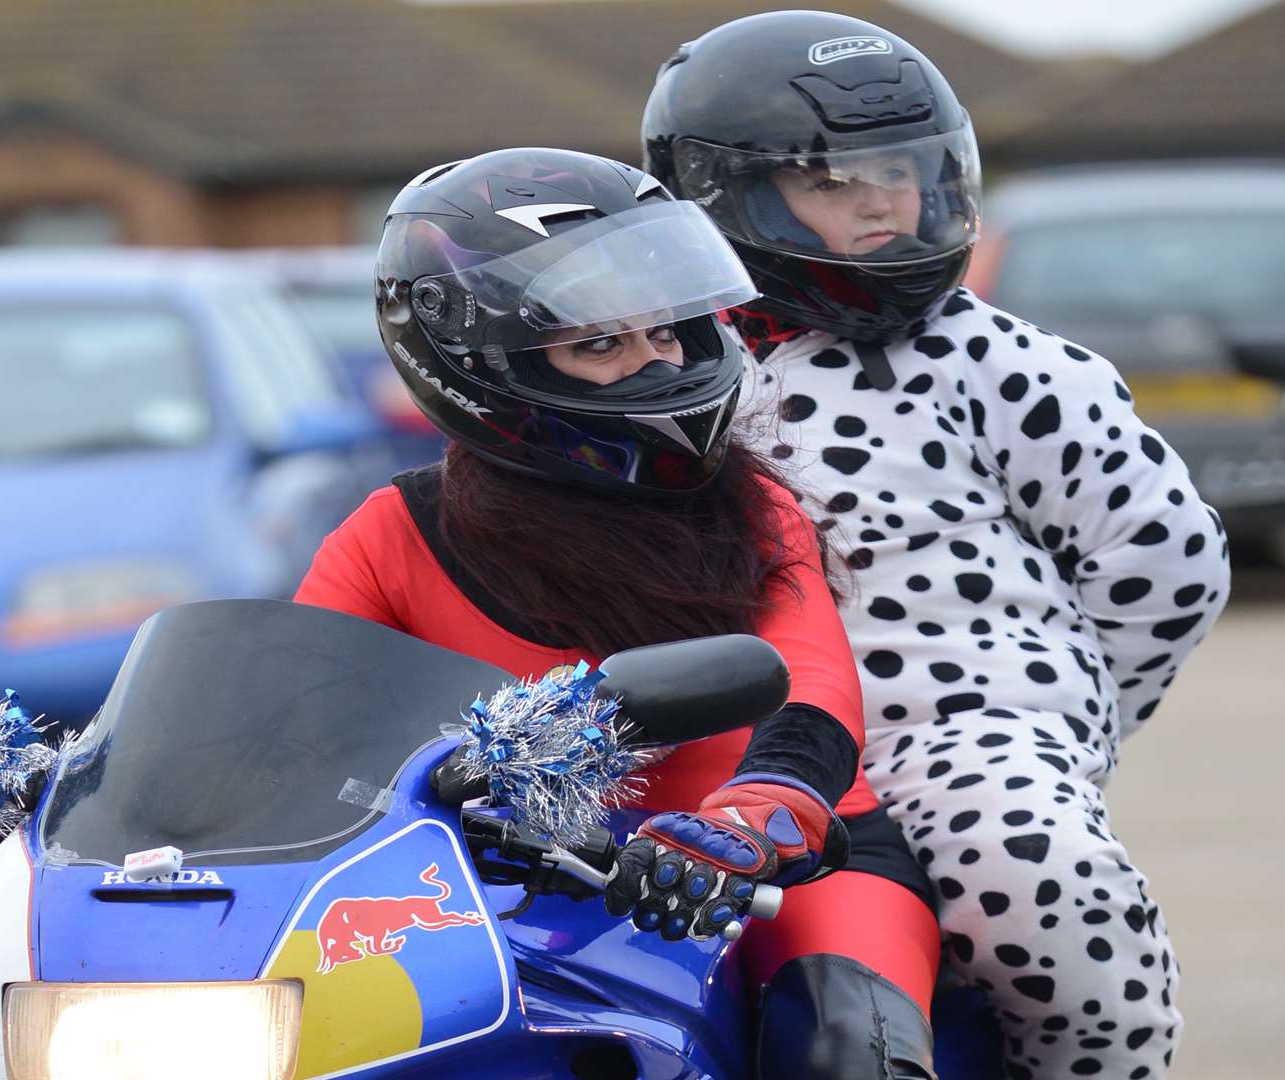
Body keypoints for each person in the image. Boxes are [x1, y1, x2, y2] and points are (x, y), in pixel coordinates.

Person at [641, 12, 1233, 1078]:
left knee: (1038, 873)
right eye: (832, 178)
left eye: (903, 172)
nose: (882, 200)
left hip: (964, 739)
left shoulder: (1004, 362)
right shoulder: (669, 368)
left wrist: (1063, 725)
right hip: (739, 752)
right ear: (717, 198)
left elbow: (1166, 562)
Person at [296, 146, 939, 1078]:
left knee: (849, 1050)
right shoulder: (390, 533)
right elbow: (288, 719)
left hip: (784, 859)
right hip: (484, 880)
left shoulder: (756, 507)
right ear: (480, 364)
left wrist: (755, 818)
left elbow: (812, 680)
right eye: (601, 343)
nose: (656, 362)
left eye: (667, 333)